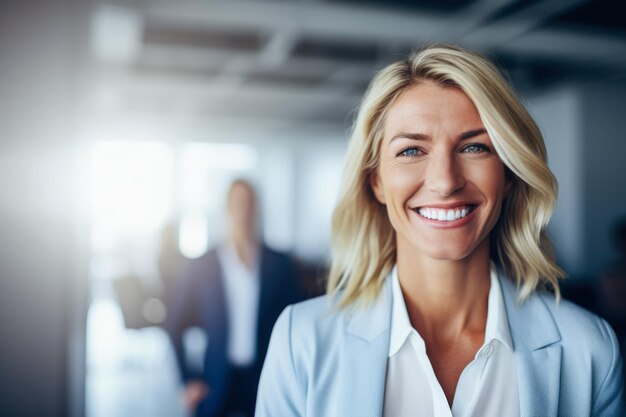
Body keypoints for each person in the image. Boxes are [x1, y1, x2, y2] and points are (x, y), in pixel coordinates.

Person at [255, 44, 624, 416]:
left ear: (509, 175)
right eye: (412, 151)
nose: (445, 182)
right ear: (376, 182)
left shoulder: (590, 350)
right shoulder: (300, 341)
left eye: (475, 147)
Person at [167, 179, 302, 417]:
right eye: (238, 203)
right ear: (228, 209)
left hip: (263, 376)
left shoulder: (278, 264)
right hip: (216, 379)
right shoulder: (203, 265)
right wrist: (188, 379)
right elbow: (174, 324)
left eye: (249, 204)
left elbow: (295, 324)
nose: (244, 211)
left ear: (257, 209)